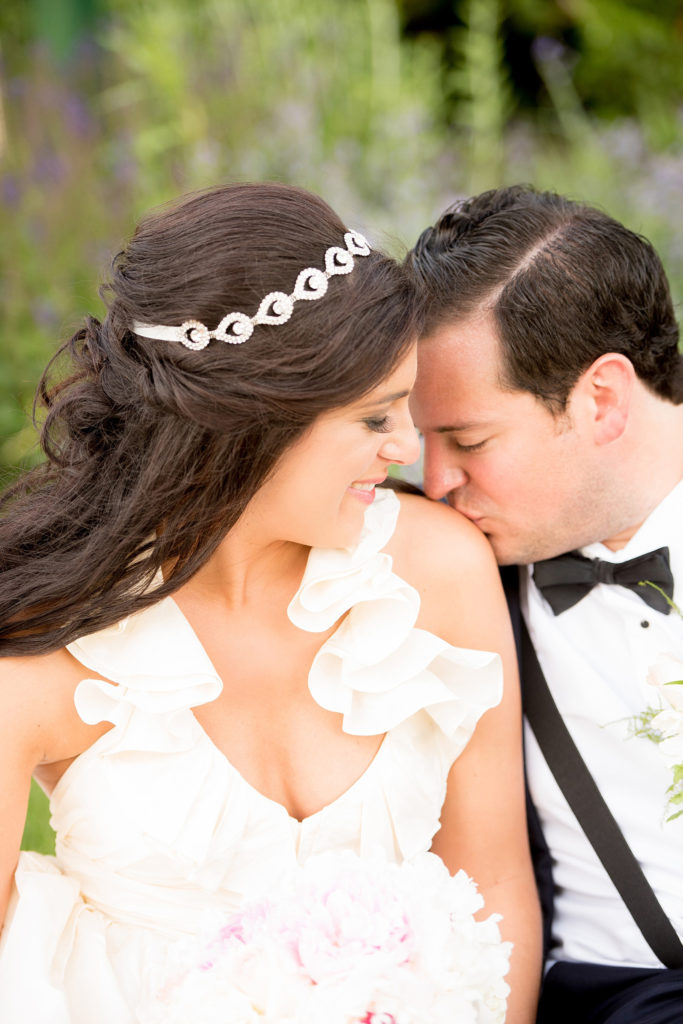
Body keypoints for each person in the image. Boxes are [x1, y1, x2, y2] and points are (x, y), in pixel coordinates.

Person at [0, 182, 540, 1023]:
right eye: (374, 419)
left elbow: (493, 884)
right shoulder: (39, 656)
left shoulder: (439, 575)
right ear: (253, 423)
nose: (407, 451)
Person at [406, 184, 683, 1023]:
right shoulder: (435, 574)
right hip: (604, 1001)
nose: (435, 481)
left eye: (469, 440)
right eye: (419, 438)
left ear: (600, 397)